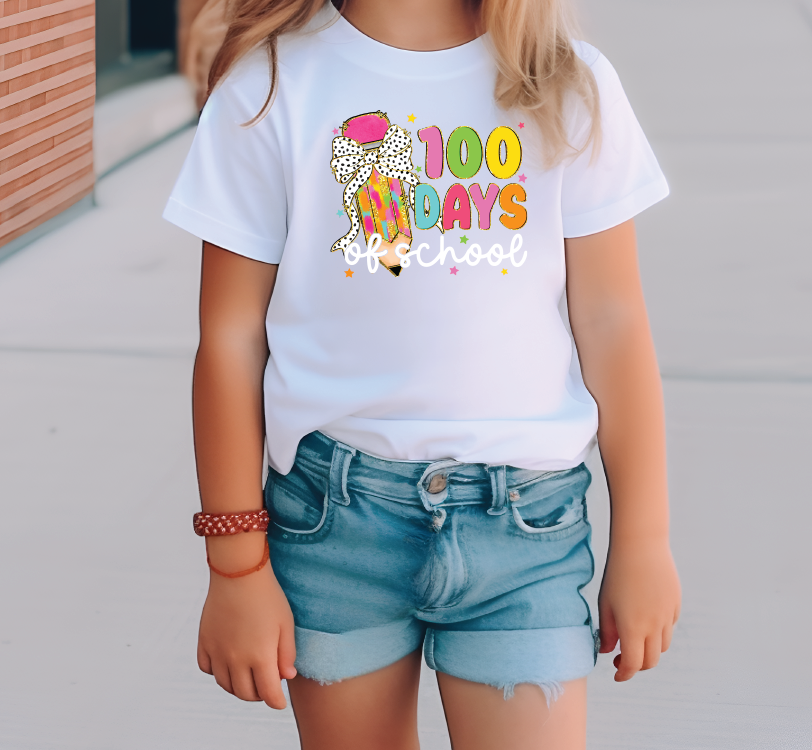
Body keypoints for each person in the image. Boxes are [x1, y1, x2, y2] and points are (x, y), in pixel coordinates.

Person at [164, 0, 681, 747]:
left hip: (524, 531)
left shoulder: (567, 85)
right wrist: (236, 568)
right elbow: (230, 338)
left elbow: (614, 324)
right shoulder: (270, 83)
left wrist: (645, 539)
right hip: (334, 525)